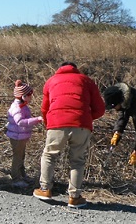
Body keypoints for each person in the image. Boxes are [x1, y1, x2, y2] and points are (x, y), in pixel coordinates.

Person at [33, 62, 105, 208]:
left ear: (59, 68)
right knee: (77, 160)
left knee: (49, 155)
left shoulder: (51, 81)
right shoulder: (86, 80)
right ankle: (74, 197)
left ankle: (45, 189)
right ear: (75, 68)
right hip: (81, 124)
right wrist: (86, 117)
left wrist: (49, 123)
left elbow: (44, 108)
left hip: (57, 122)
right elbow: (100, 108)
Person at [103, 82, 136, 189]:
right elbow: (123, 115)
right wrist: (117, 132)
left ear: (119, 101)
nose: (114, 109)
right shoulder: (128, 98)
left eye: (114, 106)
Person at [6, 80, 43, 188]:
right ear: (23, 96)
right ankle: (16, 178)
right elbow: (20, 122)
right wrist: (37, 119)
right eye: (29, 96)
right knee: (17, 157)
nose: (31, 98)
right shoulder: (17, 108)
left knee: (21, 156)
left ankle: (22, 175)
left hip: (21, 136)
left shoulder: (23, 106)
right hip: (17, 137)